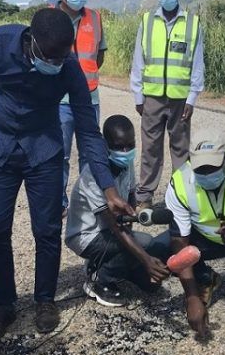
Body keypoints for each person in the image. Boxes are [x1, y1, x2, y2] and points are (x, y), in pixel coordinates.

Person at [0, 8, 133, 342]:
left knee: (47, 230)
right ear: (32, 42)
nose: (57, 63)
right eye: (51, 57)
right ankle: (4, 306)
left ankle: (45, 301)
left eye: (63, 56)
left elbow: (88, 131)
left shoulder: (68, 67)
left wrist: (109, 188)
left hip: (44, 153)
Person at [155, 129, 225, 335]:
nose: (206, 174)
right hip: (204, 240)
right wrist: (191, 298)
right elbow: (180, 243)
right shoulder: (180, 183)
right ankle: (205, 278)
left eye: (213, 168)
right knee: (163, 250)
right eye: (201, 169)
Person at [66, 115, 170, 307]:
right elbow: (116, 227)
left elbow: (130, 195)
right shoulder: (92, 176)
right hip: (87, 236)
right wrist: (146, 260)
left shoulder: (126, 164)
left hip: (109, 231)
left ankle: (113, 267)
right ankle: (99, 280)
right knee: (134, 245)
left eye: (130, 145)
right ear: (105, 146)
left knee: (149, 278)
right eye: (119, 147)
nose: (126, 151)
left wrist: (133, 219)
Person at [130, 0, 205, 211]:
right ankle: (144, 196)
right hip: (152, 97)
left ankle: (180, 196)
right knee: (150, 148)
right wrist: (138, 95)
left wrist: (192, 98)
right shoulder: (147, 22)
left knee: (180, 149)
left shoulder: (192, 23)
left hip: (180, 99)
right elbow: (138, 61)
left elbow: (197, 64)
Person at [54, 0, 107, 217]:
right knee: (60, 153)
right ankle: (59, 202)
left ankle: (87, 201)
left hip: (89, 98)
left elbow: (99, 55)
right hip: (60, 100)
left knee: (89, 154)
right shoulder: (49, 17)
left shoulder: (95, 18)